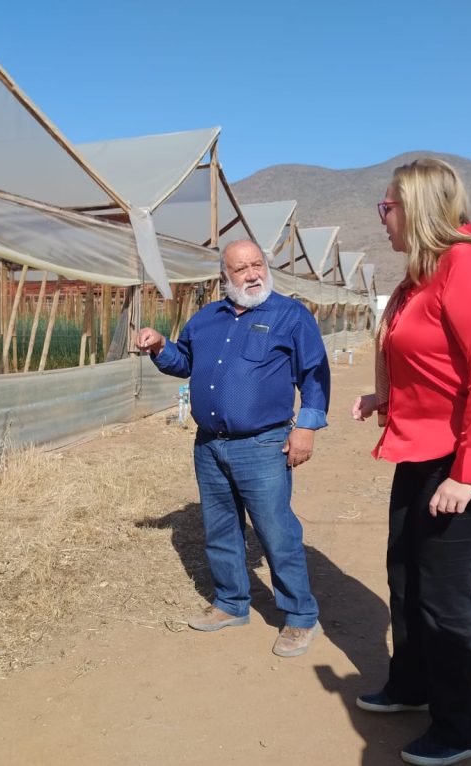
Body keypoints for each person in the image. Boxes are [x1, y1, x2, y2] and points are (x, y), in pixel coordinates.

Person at [351, 158, 471, 766]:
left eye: (388, 207)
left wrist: (470, 470)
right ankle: (411, 686)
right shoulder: (422, 275)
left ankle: (460, 729)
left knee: (442, 586)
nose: (382, 218)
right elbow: (433, 363)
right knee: (405, 570)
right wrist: (385, 398)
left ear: (418, 208)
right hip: (430, 443)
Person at [136, 239, 330, 658]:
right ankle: (230, 604)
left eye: (257, 264)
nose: (252, 274)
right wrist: (159, 346)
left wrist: (307, 428)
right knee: (221, 528)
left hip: (263, 445)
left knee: (276, 531)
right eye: (241, 269)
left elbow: (314, 374)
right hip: (209, 445)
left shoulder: (290, 316)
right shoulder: (207, 319)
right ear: (225, 277)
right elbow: (184, 361)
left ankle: (299, 616)